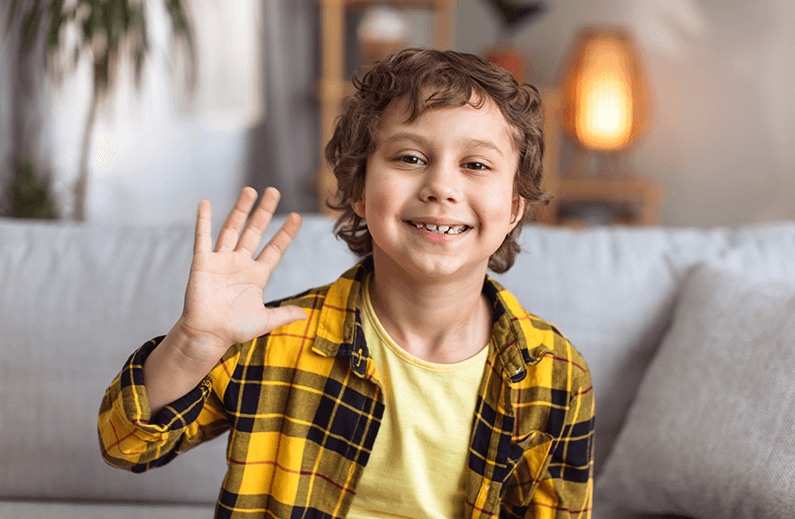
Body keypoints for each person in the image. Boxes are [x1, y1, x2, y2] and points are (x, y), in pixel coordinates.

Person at [98, 48, 594, 519]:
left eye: (476, 165)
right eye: (409, 158)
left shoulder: (555, 375)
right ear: (359, 190)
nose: (441, 186)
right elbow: (127, 444)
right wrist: (193, 343)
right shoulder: (273, 341)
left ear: (512, 209)